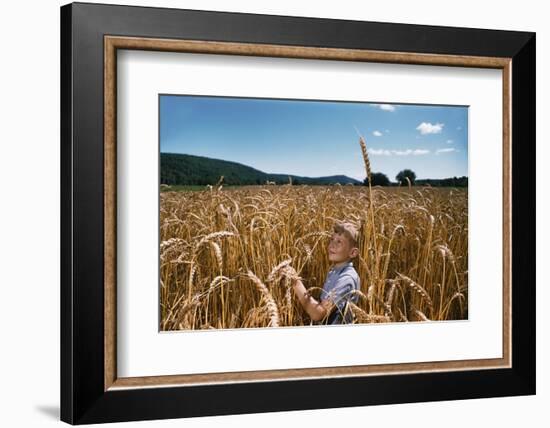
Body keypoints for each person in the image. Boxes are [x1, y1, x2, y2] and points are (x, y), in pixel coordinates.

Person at [290, 221, 361, 325]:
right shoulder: (334, 271)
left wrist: (296, 283)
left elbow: (318, 314)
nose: (332, 245)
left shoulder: (347, 278)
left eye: (339, 242)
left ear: (353, 253)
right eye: (332, 239)